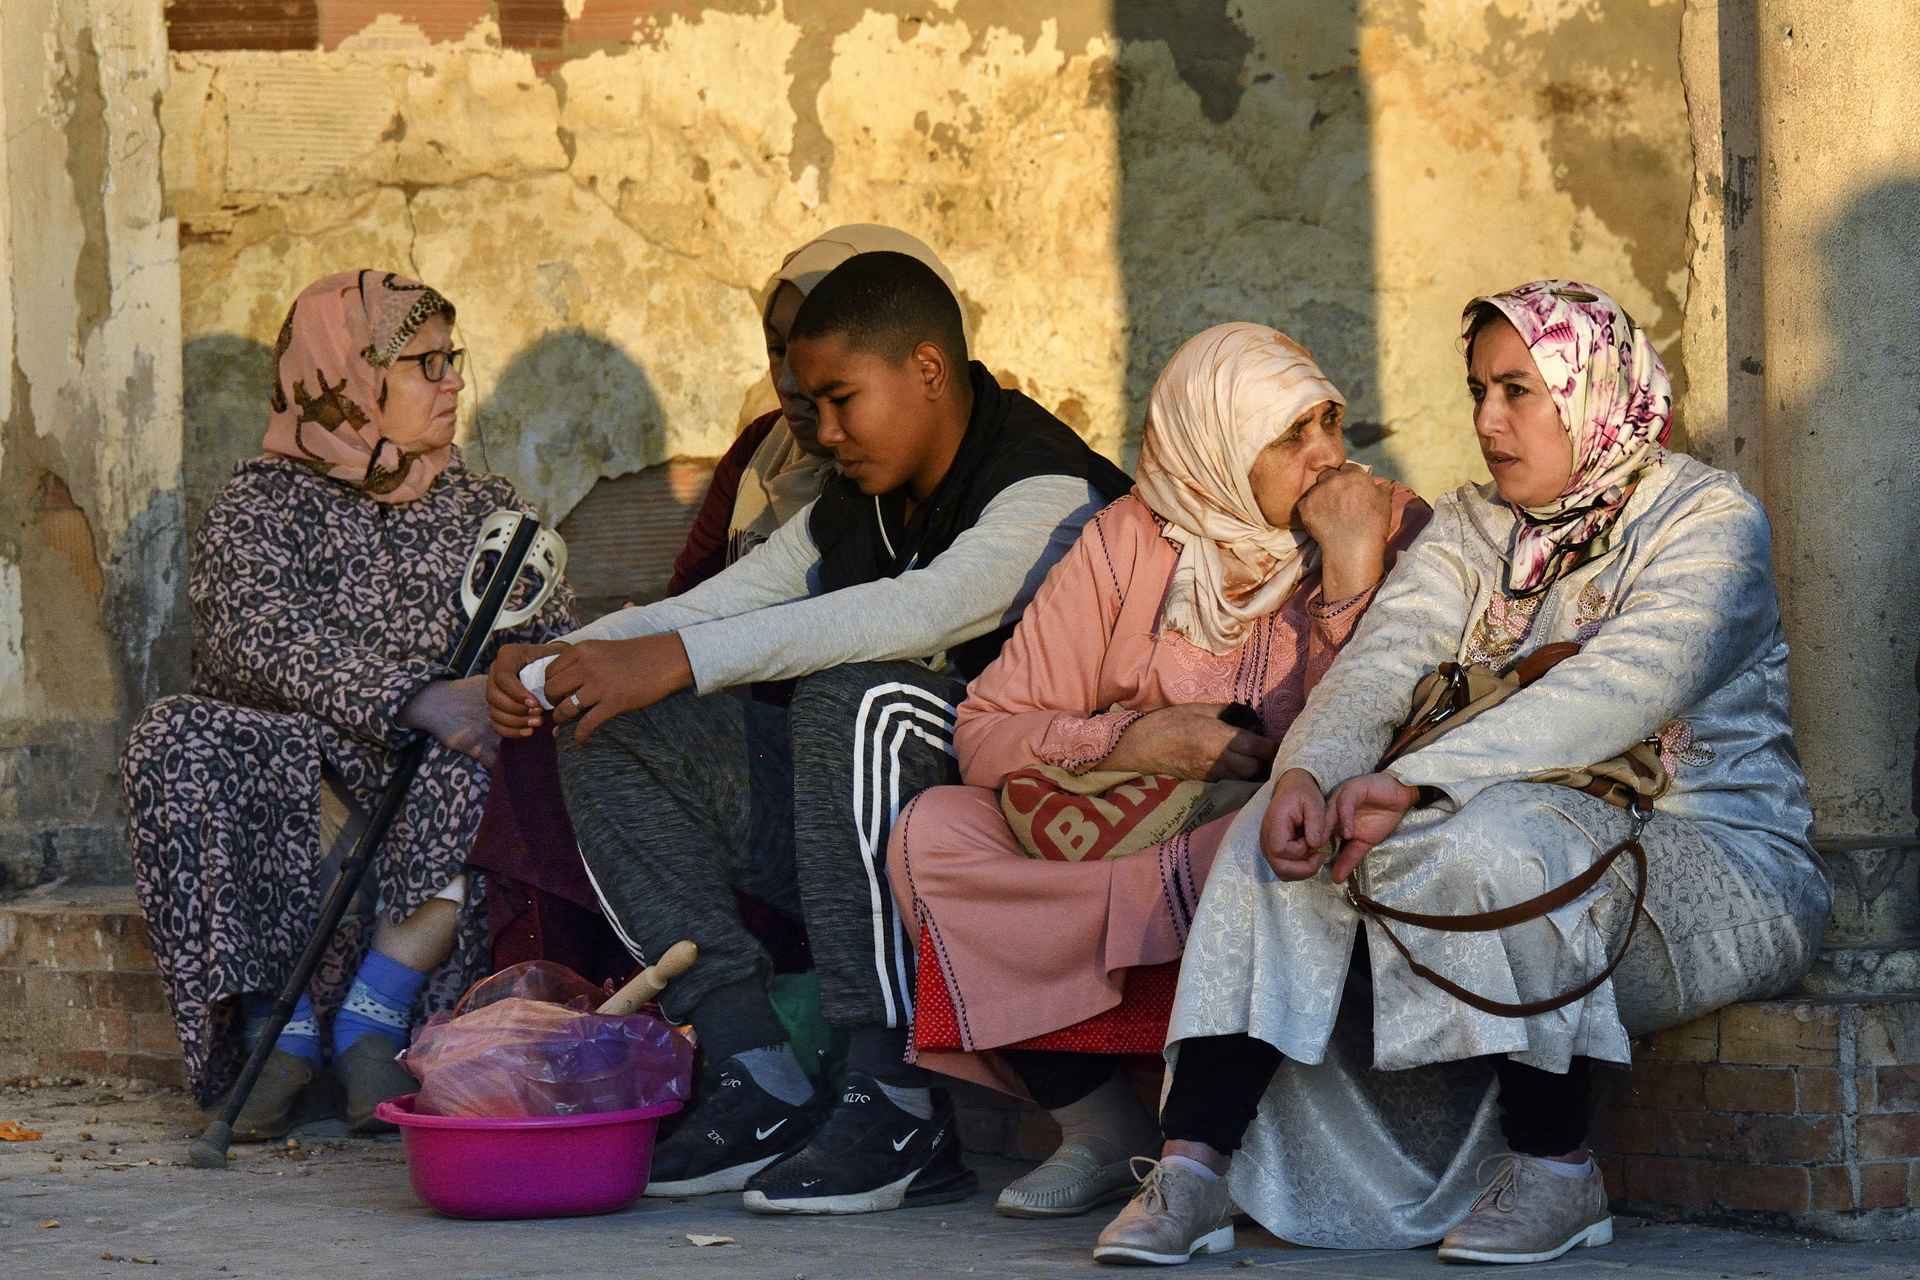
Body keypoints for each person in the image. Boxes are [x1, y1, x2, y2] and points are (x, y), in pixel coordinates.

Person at [1094, 280, 1830, 1267]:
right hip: (1504, 827)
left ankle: (1556, 1168)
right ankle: (1192, 1165)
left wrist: (1419, 781)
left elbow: (1617, 689)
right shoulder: (1477, 526)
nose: (1487, 420)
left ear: (1590, 389)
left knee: (1497, 836)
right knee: (1283, 827)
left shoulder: (1708, 521)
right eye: (1480, 389)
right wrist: (1310, 771)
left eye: (1519, 390)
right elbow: (1383, 663)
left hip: (1717, 860)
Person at [486, 249, 1133, 1214]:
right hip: (872, 823)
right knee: (613, 719)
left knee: (859, 698)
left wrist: (675, 657)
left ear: (926, 369)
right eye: (812, 402)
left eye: (841, 400)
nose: (822, 431)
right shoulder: (862, 490)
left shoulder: (1048, 489)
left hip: (1033, 829)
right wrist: (564, 658)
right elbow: (736, 597)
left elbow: (916, 612)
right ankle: (758, 1076)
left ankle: (897, 1099)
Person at [886, 324, 1430, 1220]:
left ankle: (1222, 1143)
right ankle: (1100, 1129)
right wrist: (1130, 742)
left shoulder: (1392, 525)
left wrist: (1350, 570)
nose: (1329, 455)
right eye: (1291, 435)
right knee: (935, 831)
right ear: (1214, 446)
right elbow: (984, 732)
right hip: (1126, 831)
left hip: (1259, 841)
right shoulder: (1131, 540)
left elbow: (1387, 734)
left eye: (1330, 421)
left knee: (1275, 844)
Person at [121, 271, 575, 1138]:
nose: (453, 380)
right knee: (174, 735)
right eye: (423, 363)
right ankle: (280, 1030)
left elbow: (546, 639)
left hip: (435, 802)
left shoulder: (491, 512)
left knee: (500, 732)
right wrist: (412, 698)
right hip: (307, 790)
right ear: (349, 377)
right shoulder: (258, 504)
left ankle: (377, 1015)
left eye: (452, 358)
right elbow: (252, 639)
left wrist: (491, 690)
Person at [473, 226, 955, 978]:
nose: (793, 381)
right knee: (567, 715)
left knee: (823, 709)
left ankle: (766, 1006)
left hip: (878, 772)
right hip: (747, 736)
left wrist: (670, 666)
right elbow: (694, 601)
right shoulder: (763, 454)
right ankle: (565, 992)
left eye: (829, 370)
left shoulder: (953, 473)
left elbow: (899, 629)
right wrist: (562, 660)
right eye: (778, 351)